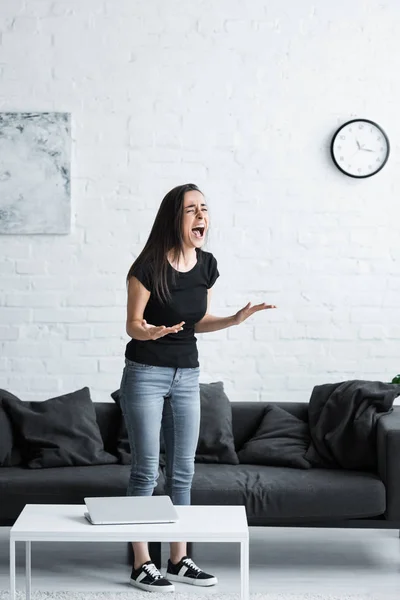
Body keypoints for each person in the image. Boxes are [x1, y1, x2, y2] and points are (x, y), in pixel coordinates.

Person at [119, 183, 276, 593]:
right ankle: (140, 562)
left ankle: (178, 560)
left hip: (187, 375)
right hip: (145, 372)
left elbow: (199, 321)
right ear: (175, 218)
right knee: (146, 470)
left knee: (184, 472)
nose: (200, 215)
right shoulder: (147, 267)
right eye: (191, 209)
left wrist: (233, 320)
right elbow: (132, 324)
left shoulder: (207, 265)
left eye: (204, 208)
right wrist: (149, 333)